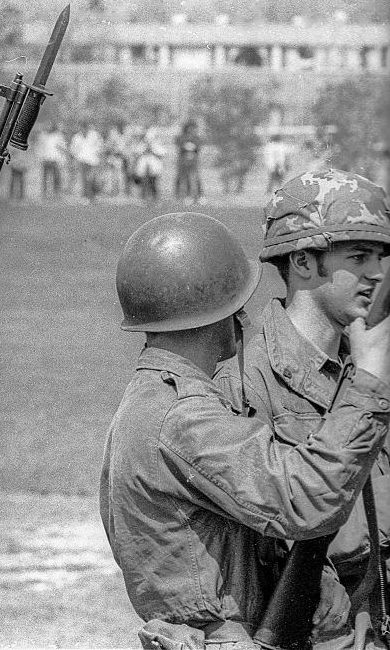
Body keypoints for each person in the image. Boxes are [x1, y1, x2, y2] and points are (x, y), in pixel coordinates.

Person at [101, 211, 390, 648]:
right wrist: (368, 384)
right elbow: (305, 500)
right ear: (217, 309)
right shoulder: (182, 417)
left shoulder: (155, 400)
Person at [215, 169, 390, 643]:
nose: (377, 273)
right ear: (303, 262)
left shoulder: (374, 369)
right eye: (359, 256)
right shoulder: (243, 385)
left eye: (380, 256)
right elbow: (244, 565)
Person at [70, 121, 103, 204]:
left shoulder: (94, 135)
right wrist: (76, 157)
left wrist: (98, 153)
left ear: (87, 127)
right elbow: (73, 149)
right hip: (82, 161)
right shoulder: (76, 137)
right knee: (84, 180)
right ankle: (86, 197)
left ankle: (93, 196)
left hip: (93, 161)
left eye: (85, 127)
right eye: (81, 127)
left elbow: (100, 145)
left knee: (93, 180)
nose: (83, 129)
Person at [173, 119, 202, 205]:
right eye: (190, 128)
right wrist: (186, 146)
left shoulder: (196, 138)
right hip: (183, 161)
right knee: (182, 179)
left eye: (193, 128)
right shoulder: (181, 137)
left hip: (193, 162)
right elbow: (179, 146)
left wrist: (190, 147)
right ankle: (181, 196)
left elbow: (197, 148)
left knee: (194, 179)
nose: (192, 130)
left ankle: (196, 197)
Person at [35, 123, 67, 198]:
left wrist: (62, 157)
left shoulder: (58, 136)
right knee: (45, 178)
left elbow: (64, 148)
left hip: (55, 160)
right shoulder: (43, 136)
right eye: (47, 126)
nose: (48, 127)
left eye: (50, 126)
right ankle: (44, 194)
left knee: (56, 178)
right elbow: (39, 147)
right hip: (46, 159)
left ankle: (56, 194)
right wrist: (40, 157)